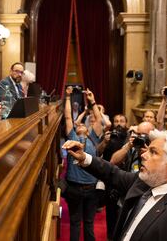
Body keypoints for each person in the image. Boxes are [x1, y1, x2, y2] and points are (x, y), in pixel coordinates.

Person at [62, 130, 167, 241]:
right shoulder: (144, 183)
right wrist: (84, 157)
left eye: (153, 152)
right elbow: (113, 173)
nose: (143, 154)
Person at [63, 85, 102, 241]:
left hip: (91, 188)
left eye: (82, 124)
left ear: (88, 128)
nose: (79, 124)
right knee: (75, 223)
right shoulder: (72, 135)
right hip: (74, 187)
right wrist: (67, 97)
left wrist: (92, 101)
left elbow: (99, 119)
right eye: (77, 124)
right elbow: (67, 117)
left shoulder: (94, 137)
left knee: (89, 223)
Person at [96, 113, 129, 241]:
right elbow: (97, 153)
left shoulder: (129, 137)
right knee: (111, 213)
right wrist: (104, 142)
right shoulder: (108, 136)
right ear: (113, 123)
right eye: (116, 121)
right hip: (110, 180)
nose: (119, 123)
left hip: (126, 179)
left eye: (121, 121)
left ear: (126, 123)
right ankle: (110, 237)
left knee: (124, 214)